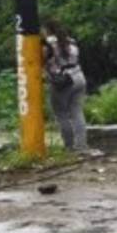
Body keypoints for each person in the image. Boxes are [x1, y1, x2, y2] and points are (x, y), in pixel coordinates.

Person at [41, 18, 88, 152]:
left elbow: (41, 61)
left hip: (62, 81)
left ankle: (69, 146)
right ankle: (82, 146)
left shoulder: (47, 44)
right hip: (79, 77)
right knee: (77, 111)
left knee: (61, 114)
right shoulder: (71, 41)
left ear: (47, 30)